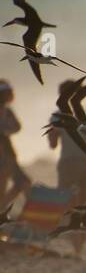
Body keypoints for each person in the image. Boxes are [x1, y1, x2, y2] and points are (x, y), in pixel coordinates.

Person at [46, 78, 86, 253]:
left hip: (68, 163)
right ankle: (80, 245)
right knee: (85, 204)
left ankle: (75, 242)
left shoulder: (57, 116)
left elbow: (53, 144)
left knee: (70, 205)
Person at [0, 80, 32, 211]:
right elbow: (16, 127)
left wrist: (5, 131)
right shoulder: (6, 111)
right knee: (21, 182)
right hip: (5, 152)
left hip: (7, 151)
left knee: (21, 182)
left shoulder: (7, 111)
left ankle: (2, 207)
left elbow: (17, 127)